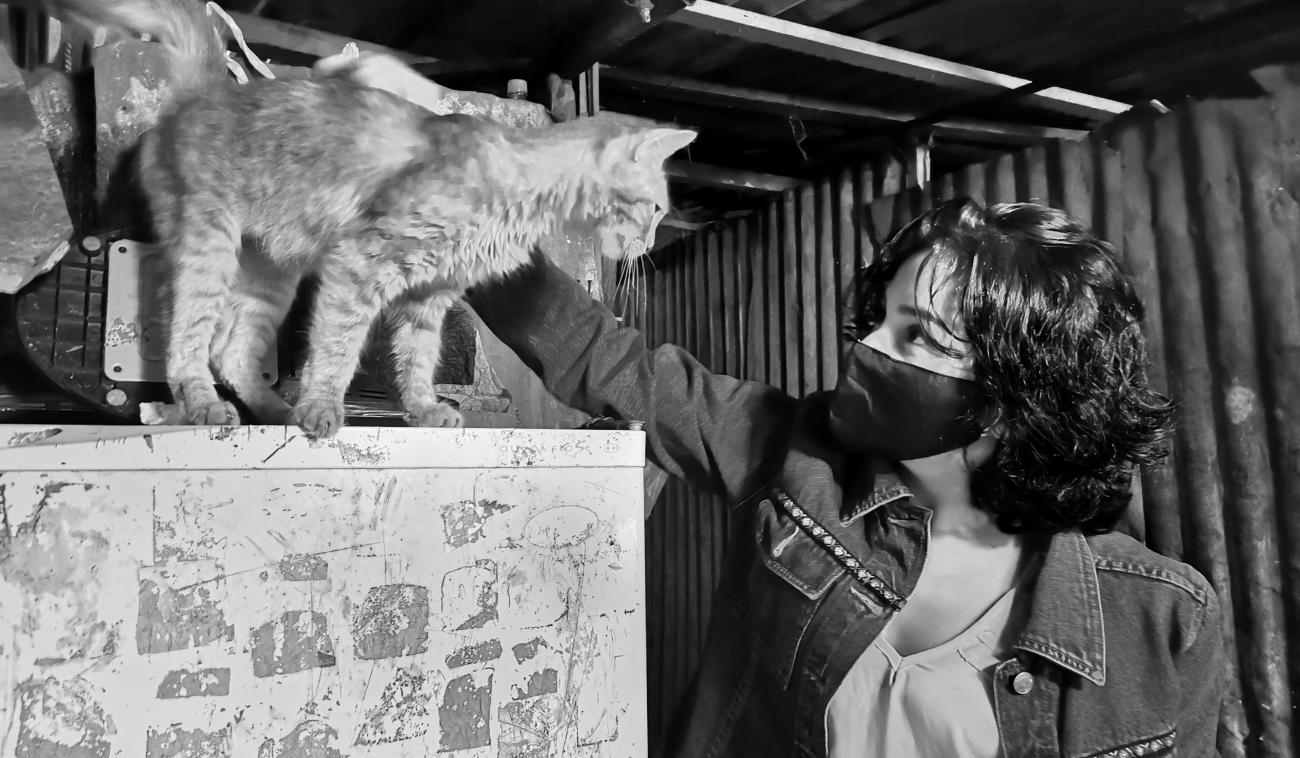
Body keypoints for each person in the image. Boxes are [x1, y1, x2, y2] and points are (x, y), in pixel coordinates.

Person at [323, 54, 1226, 758]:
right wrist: (444, 170)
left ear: (1015, 398)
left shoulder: (1161, 621)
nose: (868, 349)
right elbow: (601, 355)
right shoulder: (792, 457)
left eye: (922, 339)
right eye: (882, 319)